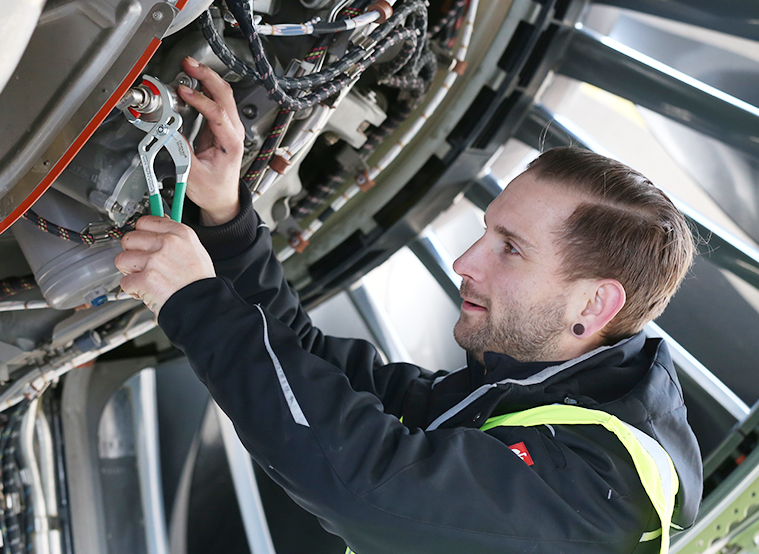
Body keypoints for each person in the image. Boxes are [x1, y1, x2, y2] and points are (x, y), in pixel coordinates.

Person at [116, 57, 701, 554]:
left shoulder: (600, 492)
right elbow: (313, 367)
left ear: (595, 304)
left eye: (511, 249)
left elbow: (363, 480)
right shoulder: (534, 390)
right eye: (486, 231)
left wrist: (197, 302)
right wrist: (228, 220)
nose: (465, 263)